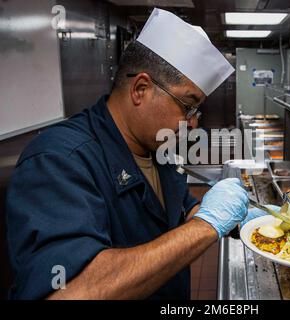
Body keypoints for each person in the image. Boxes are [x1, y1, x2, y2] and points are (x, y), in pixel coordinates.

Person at [5, 8, 249, 300]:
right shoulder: (57, 160)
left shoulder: (160, 147)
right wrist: (207, 225)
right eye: (187, 106)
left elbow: (178, 208)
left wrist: (228, 216)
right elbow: (67, 292)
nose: (193, 123)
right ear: (141, 89)